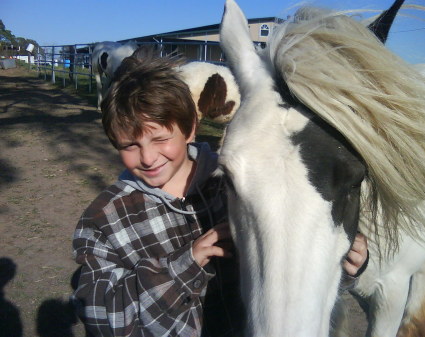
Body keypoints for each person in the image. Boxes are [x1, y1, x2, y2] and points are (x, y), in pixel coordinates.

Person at [72, 46, 368, 337]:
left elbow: (282, 278)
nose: (148, 158)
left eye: (160, 139)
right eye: (130, 145)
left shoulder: (241, 185)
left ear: (190, 129)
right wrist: (183, 266)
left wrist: (341, 266)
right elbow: (101, 320)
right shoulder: (104, 218)